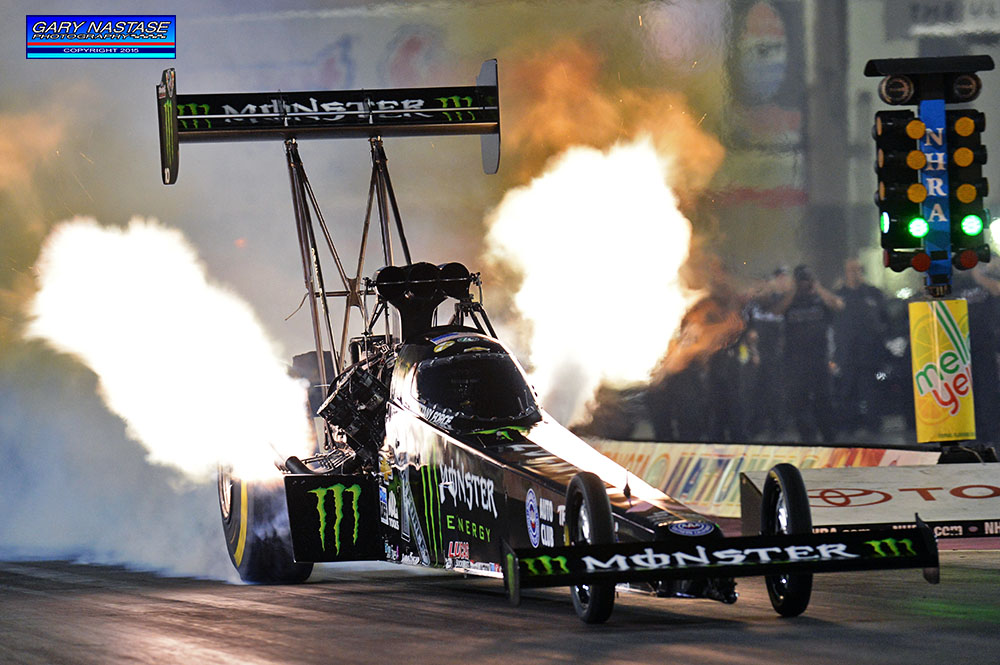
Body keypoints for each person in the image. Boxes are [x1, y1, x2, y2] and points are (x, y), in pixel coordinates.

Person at [771, 264, 844, 443]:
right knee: (799, 401)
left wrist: (817, 287)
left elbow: (838, 305)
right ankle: (807, 438)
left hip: (819, 359)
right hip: (795, 361)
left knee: (824, 399)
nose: (804, 283)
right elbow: (776, 311)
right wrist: (794, 290)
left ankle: (829, 437)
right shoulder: (790, 299)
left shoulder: (819, 298)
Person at [833, 259, 889, 436]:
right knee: (848, 391)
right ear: (845, 273)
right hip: (847, 353)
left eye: (857, 270)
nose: (854, 273)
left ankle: (874, 425)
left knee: (871, 390)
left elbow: (884, 319)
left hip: (869, 353)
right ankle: (849, 426)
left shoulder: (873, 293)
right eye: (850, 270)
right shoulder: (839, 295)